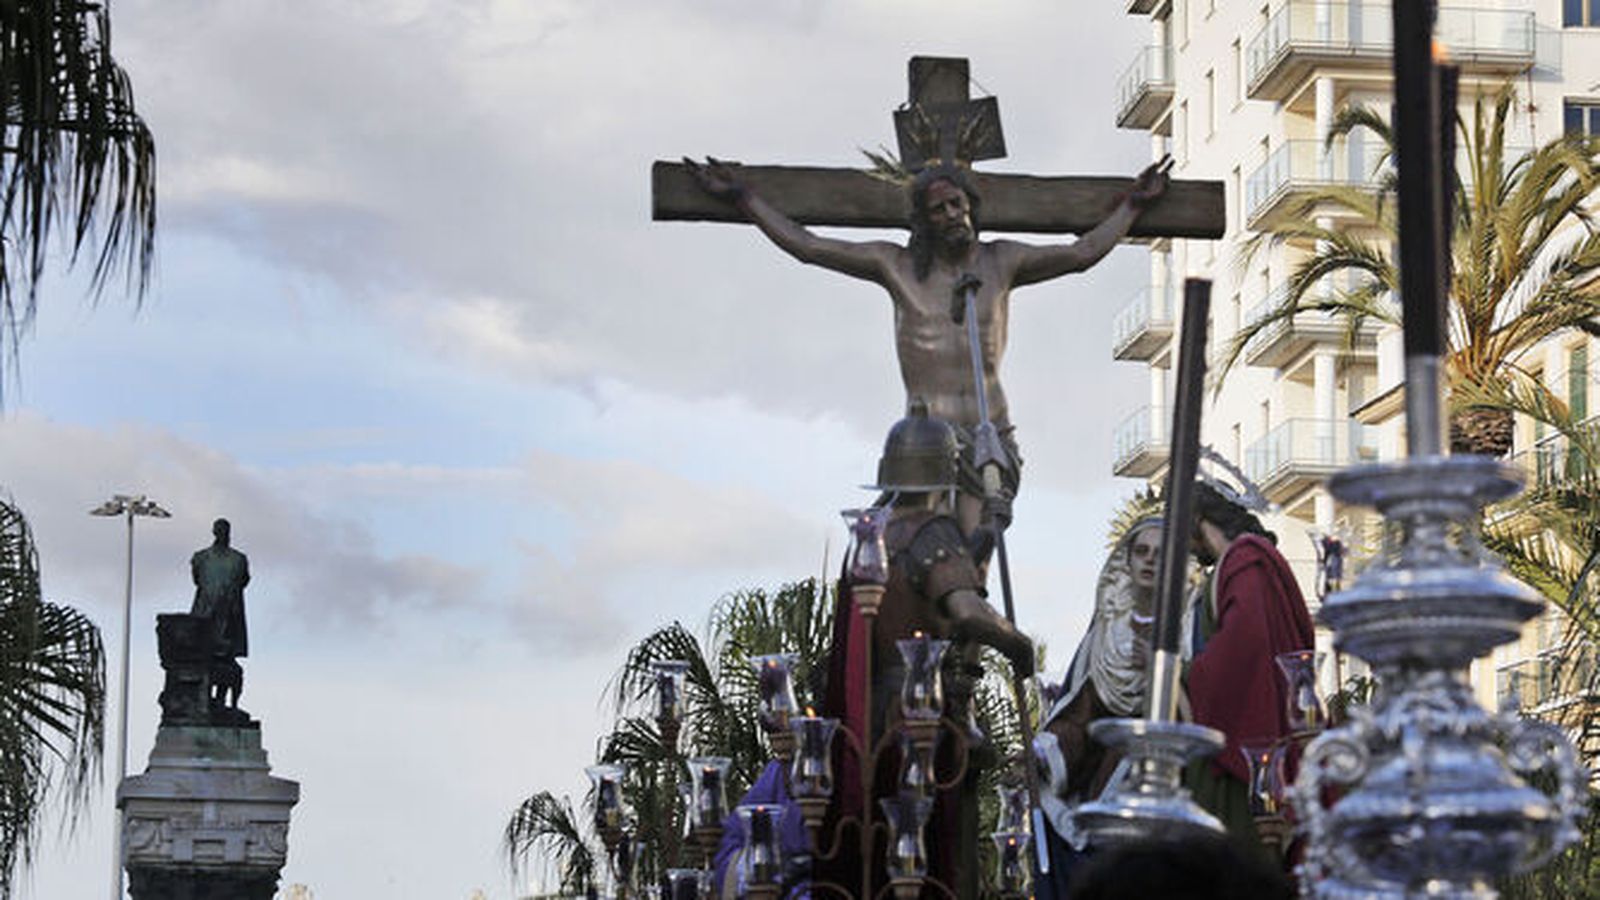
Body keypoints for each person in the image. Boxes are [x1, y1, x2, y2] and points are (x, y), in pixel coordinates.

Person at [687, 157, 1169, 533]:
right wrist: (746, 198)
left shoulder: (1002, 261)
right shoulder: (895, 267)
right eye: (939, 209)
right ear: (924, 221)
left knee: (973, 562)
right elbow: (808, 246)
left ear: (970, 206)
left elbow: (1080, 254)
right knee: (923, 559)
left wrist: (1133, 206)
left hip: (989, 435)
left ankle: (967, 659)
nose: (952, 215)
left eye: (957, 204)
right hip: (924, 442)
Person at [820, 403, 1035, 898]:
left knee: (883, 854)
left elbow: (925, 581)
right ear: (947, 475)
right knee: (931, 855)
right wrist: (1016, 645)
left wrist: (985, 536)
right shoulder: (931, 531)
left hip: (870, 717)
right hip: (920, 716)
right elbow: (962, 610)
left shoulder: (876, 536)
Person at [1182, 483, 1315, 858]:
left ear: (1195, 519)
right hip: (1234, 736)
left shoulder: (1245, 560)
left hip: (1242, 751)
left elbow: (1246, 647)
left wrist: (1177, 676)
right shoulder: (1239, 566)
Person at [1034, 519, 1163, 897]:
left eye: (1159, 553)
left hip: (1160, 776)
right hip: (1104, 778)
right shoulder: (1106, 632)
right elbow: (1081, 710)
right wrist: (1044, 754)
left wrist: (1161, 669)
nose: (1150, 561)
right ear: (1126, 561)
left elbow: (1201, 705)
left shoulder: (1185, 628)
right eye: (1141, 551)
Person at [190, 518, 250, 707]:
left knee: (226, 660)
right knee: (203, 659)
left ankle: (222, 700)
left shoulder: (239, 559)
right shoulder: (200, 557)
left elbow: (243, 581)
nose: (222, 534)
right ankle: (204, 700)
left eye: (225, 530)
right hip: (205, 614)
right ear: (214, 532)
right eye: (219, 530)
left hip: (229, 615)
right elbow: (197, 580)